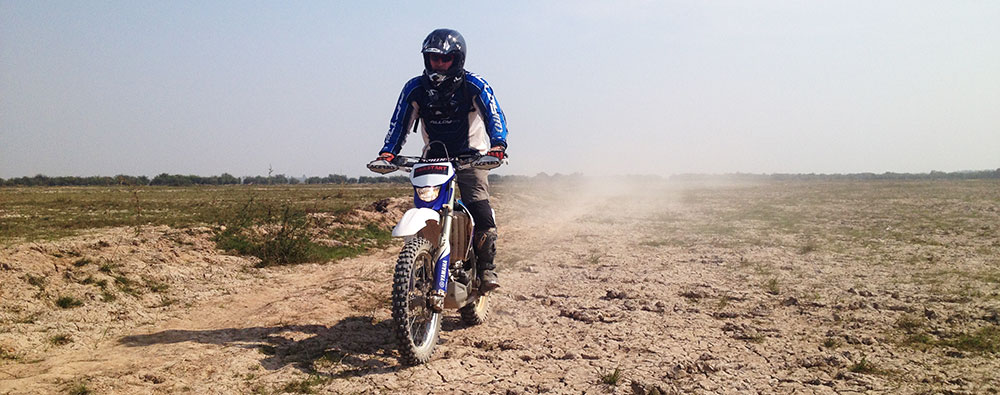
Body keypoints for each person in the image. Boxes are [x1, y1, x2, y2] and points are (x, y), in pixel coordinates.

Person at [373, 28, 508, 291]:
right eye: (434, 58)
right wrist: (388, 152)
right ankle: (424, 259)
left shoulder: (474, 85)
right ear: (426, 59)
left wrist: (498, 146)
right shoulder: (415, 88)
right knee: (427, 205)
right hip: (433, 159)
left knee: (478, 205)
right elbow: (400, 122)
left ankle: (487, 268)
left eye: (445, 59)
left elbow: (494, 116)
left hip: (472, 158)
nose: (439, 64)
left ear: (457, 59)